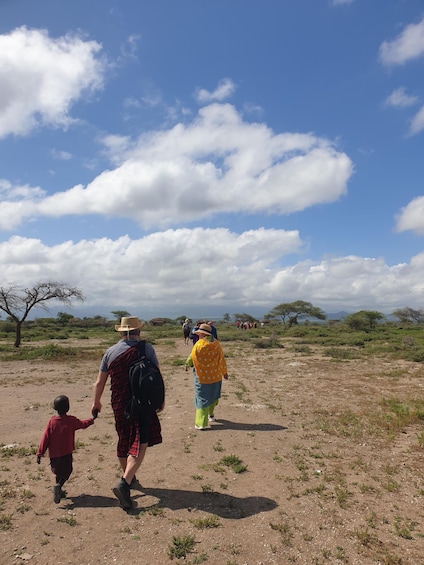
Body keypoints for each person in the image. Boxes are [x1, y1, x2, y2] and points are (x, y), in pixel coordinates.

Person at [92, 316, 164, 510]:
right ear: (138, 332)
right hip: (143, 402)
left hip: (119, 403)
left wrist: (96, 402)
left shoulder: (110, 352)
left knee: (124, 439)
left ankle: (129, 478)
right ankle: (125, 482)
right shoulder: (146, 349)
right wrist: (161, 400)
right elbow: (156, 375)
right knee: (141, 442)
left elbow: (99, 382)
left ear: (121, 332)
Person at [36, 395, 95, 503]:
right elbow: (83, 424)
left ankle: (59, 490)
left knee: (59, 472)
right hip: (66, 453)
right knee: (67, 471)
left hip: (54, 454)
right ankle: (58, 486)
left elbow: (45, 437)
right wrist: (92, 419)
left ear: (55, 408)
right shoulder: (71, 420)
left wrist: (40, 453)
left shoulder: (52, 422)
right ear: (68, 408)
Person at [185, 323, 228, 430]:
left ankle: (201, 423)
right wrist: (224, 372)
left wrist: (187, 364)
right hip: (216, 375)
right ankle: (211, 415)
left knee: (201, 398)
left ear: (201, 334)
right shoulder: (217, 344)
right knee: (213, 395)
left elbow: (192, 357)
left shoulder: (199, 344)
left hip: (202, 377)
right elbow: (222, 358)